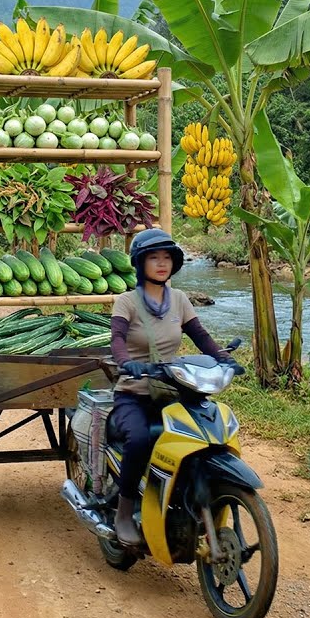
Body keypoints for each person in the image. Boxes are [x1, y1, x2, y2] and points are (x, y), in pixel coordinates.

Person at [109, 228, 234, 546]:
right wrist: (126, 362)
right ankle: (124, 512)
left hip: (172, 390)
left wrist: (223, 358)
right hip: (134, 392)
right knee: (140, 439)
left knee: (201, 435)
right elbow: (117, 339)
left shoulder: (179, 299)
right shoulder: (127, 302)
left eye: (167, 257)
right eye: (154, 258)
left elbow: (200, 335)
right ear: (140, 263)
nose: (162, 263)